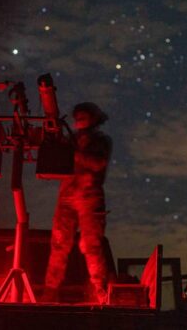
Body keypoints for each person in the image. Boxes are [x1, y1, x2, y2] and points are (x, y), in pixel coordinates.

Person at [42, 102, 113, 304]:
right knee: (59, 243)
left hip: (89, 196)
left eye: (84, 116)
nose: (79, 120)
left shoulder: (101, 141)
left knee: (91, 245)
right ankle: (50, 292)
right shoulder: (69, 140)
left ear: (93, 118)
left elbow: (98, 163)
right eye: (77, 116)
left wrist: (73, 153)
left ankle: (99, 291)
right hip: (67, 196)